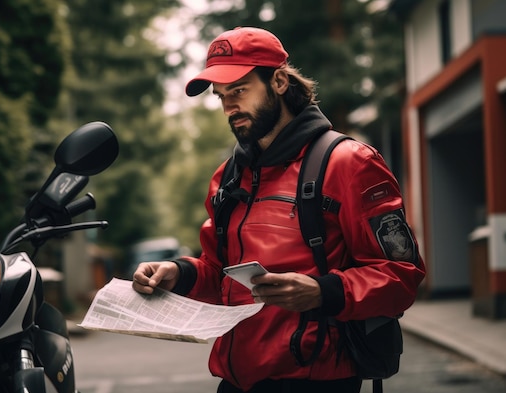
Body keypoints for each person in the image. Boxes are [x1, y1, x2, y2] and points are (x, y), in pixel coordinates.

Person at [132, 26, 426, 393]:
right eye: (221, 96)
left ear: (280, 82)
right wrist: (177, 273)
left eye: (239, 91)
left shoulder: (350, 163)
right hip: (236, 381)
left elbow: (402, 274)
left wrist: (323, 292)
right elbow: (221, 274)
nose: (229, 107)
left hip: (316, 380)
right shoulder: (227, 177)